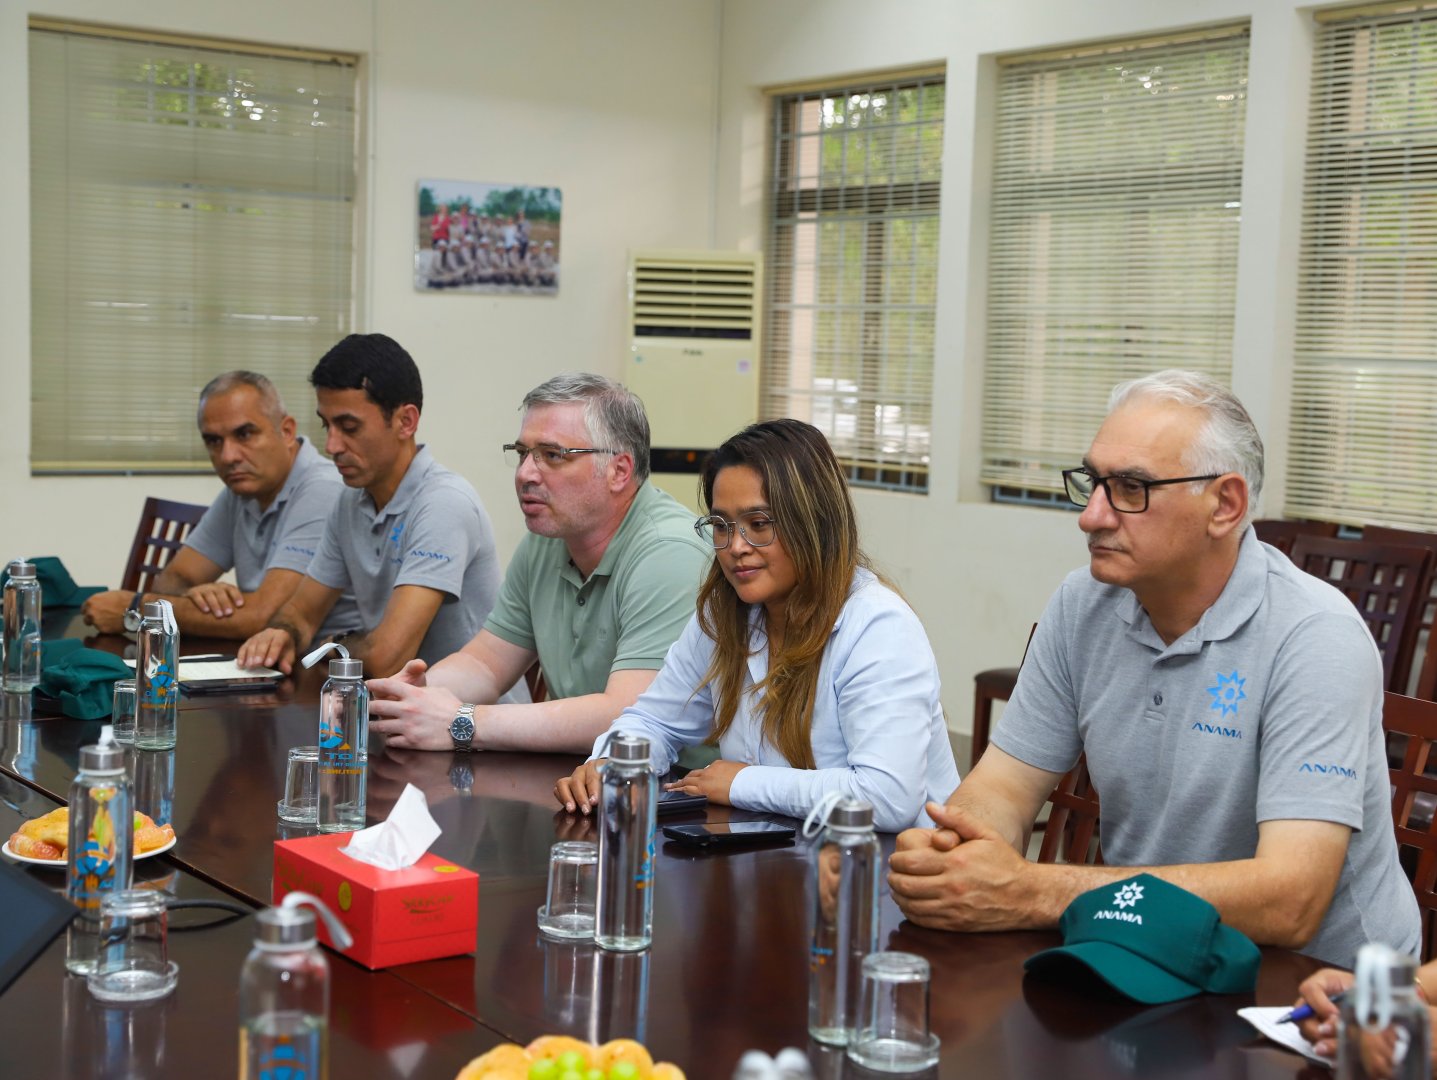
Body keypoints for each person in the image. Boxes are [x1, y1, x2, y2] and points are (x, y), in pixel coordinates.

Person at [888, 370, 1419, 968]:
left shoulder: (1315, 636)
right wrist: (954, 850)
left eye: (1132, 488)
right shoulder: (1083, 602)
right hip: (1146, 946)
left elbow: (1291, 901)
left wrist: (1030, 890)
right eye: (1093, 482)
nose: (1092, 516)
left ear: (1226, 504)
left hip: (1319, 992)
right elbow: (1002, 790)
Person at [554, 419, 960, 830]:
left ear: (813, 522)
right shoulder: (725, 612)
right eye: (721, 526)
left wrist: (741, 782)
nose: (736, 548)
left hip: (885, 874)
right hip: (781, 857)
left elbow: (887, 798)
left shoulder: (878, 626)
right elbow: (655, 721)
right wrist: (611, 762)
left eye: (759, 524)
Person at [367, 373, 711, 752]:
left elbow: (629, 715)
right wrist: (419, 695)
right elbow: (486, 664)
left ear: (619, 471)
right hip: (579, 780)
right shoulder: (547, 540)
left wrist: (461, 721)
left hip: (678, 792)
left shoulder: (670, 552)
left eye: (552, 455)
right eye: (522, 454)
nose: (525, 474)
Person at [236, 334, 502, 678]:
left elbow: (388, 658)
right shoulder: (350, 500)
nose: (331, 445)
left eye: (349, 427)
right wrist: (282, 634)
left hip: (471, 719)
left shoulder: (444, 504)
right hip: (394, 708)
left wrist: (331, 643)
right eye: (326, 425)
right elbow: (301, 614)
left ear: (406, 422)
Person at [80, 371, 359, 641]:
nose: (228, 456)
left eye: (244, 434)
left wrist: (136, 608)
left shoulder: (323, 488)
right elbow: (171, 580)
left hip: (326, 668)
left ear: (286, 431)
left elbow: (264, 616)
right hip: (262, 657)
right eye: (213, 441)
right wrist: (198, 594)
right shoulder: (241, 489)